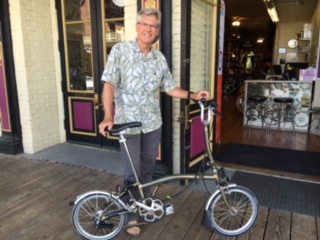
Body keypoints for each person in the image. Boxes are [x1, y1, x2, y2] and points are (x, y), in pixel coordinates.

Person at [98, 8, 210, 237]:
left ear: (157, 31)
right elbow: (108, 85)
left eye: (153, 26)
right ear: (137, 26)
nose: (149, 29)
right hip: (127, 124)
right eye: (145, 24)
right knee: (132, 172)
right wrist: (108, 116)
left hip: (152, 124)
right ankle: (130, 219)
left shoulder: (159, 58)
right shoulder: (120, 51)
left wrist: (193, 95)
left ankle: (141, 208)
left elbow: (169, 87)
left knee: (147, 170)